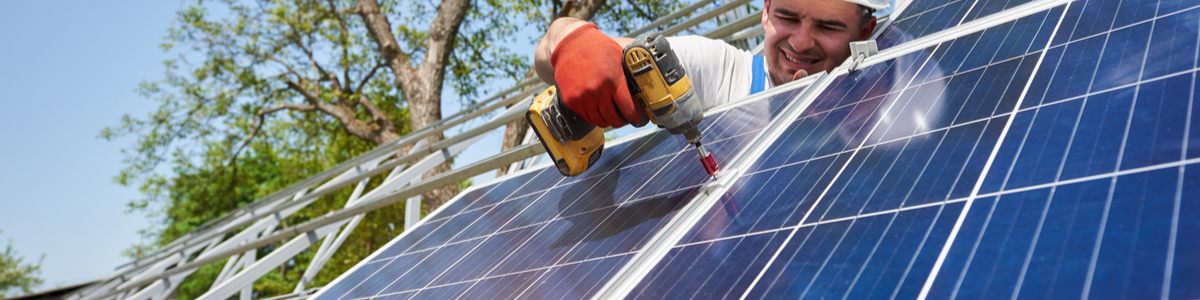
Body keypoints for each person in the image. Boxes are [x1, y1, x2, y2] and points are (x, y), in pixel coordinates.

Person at [533, 0, 888, 129]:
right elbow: (551, 53)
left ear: (866, 30)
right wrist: (571, 40)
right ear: (765, 12)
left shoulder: (891, 101)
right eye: (788, 18)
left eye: (827, 27)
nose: (800, 42)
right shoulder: (718, 70)